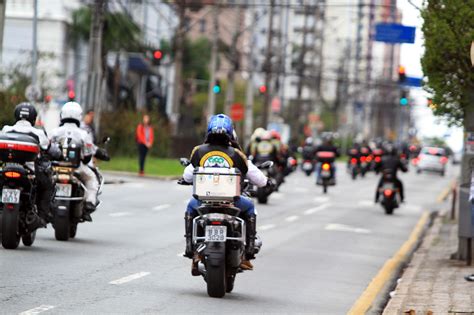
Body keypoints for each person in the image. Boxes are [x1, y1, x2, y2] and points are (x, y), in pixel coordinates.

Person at [181, 114, 272, 271]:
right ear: (231, 133)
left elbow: (187, 176)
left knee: (190, 207)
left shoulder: (198, 151)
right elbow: (257, 177)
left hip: (203, 201)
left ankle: (190, 247)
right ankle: (249, 250)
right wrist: (267, 182)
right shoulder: (237, 154)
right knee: (250, 208)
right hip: (232, 202)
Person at [2, 103, 56, 228]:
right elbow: (51, 150)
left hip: (5, 168)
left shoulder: (6, 129)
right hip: (29, 172)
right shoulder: (38, 133)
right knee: (48, 186)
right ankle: (42, 217)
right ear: (33, 118)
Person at [50, 102, 99, 222]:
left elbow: (46, 148)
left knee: (43, 182)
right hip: (76, 168)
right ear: (79, 116)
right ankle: (89, 202)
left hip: (55, 168)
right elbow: (87, 155)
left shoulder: (55, 132)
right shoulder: (83, 134)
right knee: (92, 179)